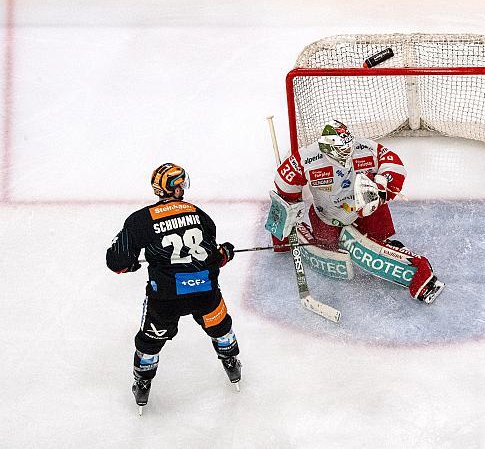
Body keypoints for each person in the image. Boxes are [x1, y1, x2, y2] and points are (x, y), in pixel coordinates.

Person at [106, 163, 241, 413]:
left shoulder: (140, 219)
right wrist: (225, 252)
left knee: (150, 341)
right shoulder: (198, 213)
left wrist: (131, 264)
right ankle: (230, 360)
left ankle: (143, 382)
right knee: (220, 326)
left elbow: (117, 263)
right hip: (204, 291)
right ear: (177, 187)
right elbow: (212, 255)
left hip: (166, 297)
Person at [272, 119, 443, 303]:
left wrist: (382, 185)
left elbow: (394, 163)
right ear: (329, 148)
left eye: (349, 146)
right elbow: (284, 181)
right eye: (343, 149)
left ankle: (390, 248)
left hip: (365, 211)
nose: (349, 151)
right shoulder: (307, 158)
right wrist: (291, 204)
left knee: (377, 239)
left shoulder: (364, 147)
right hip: (328, 216)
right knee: (330, 251)